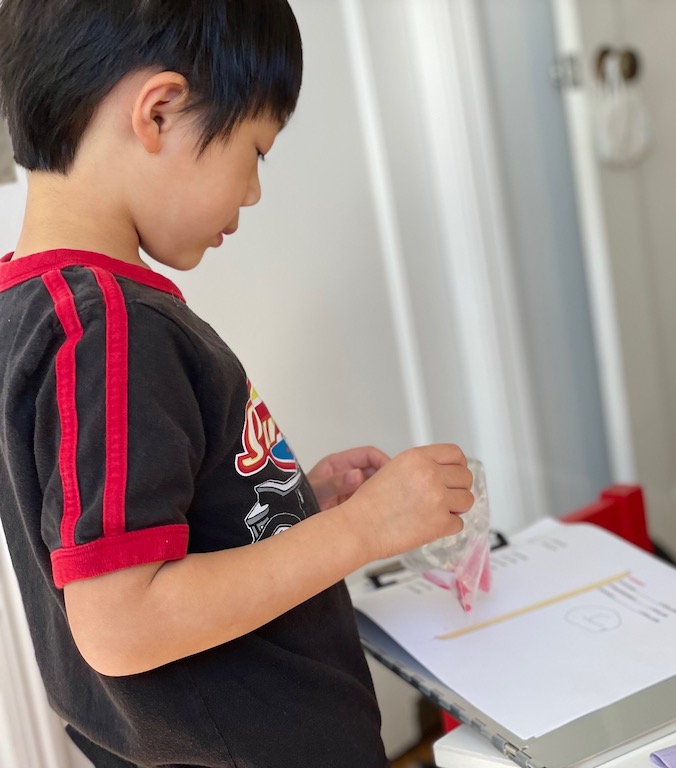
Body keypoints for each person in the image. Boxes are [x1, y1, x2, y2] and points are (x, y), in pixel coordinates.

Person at [0, 1, 474, 765]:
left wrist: (295, 508)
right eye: (255, 150)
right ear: (158, 112)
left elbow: (136, 539)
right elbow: (123, 621)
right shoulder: (109, 328)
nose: (253, 192)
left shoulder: (38, 309)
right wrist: (361, 532)